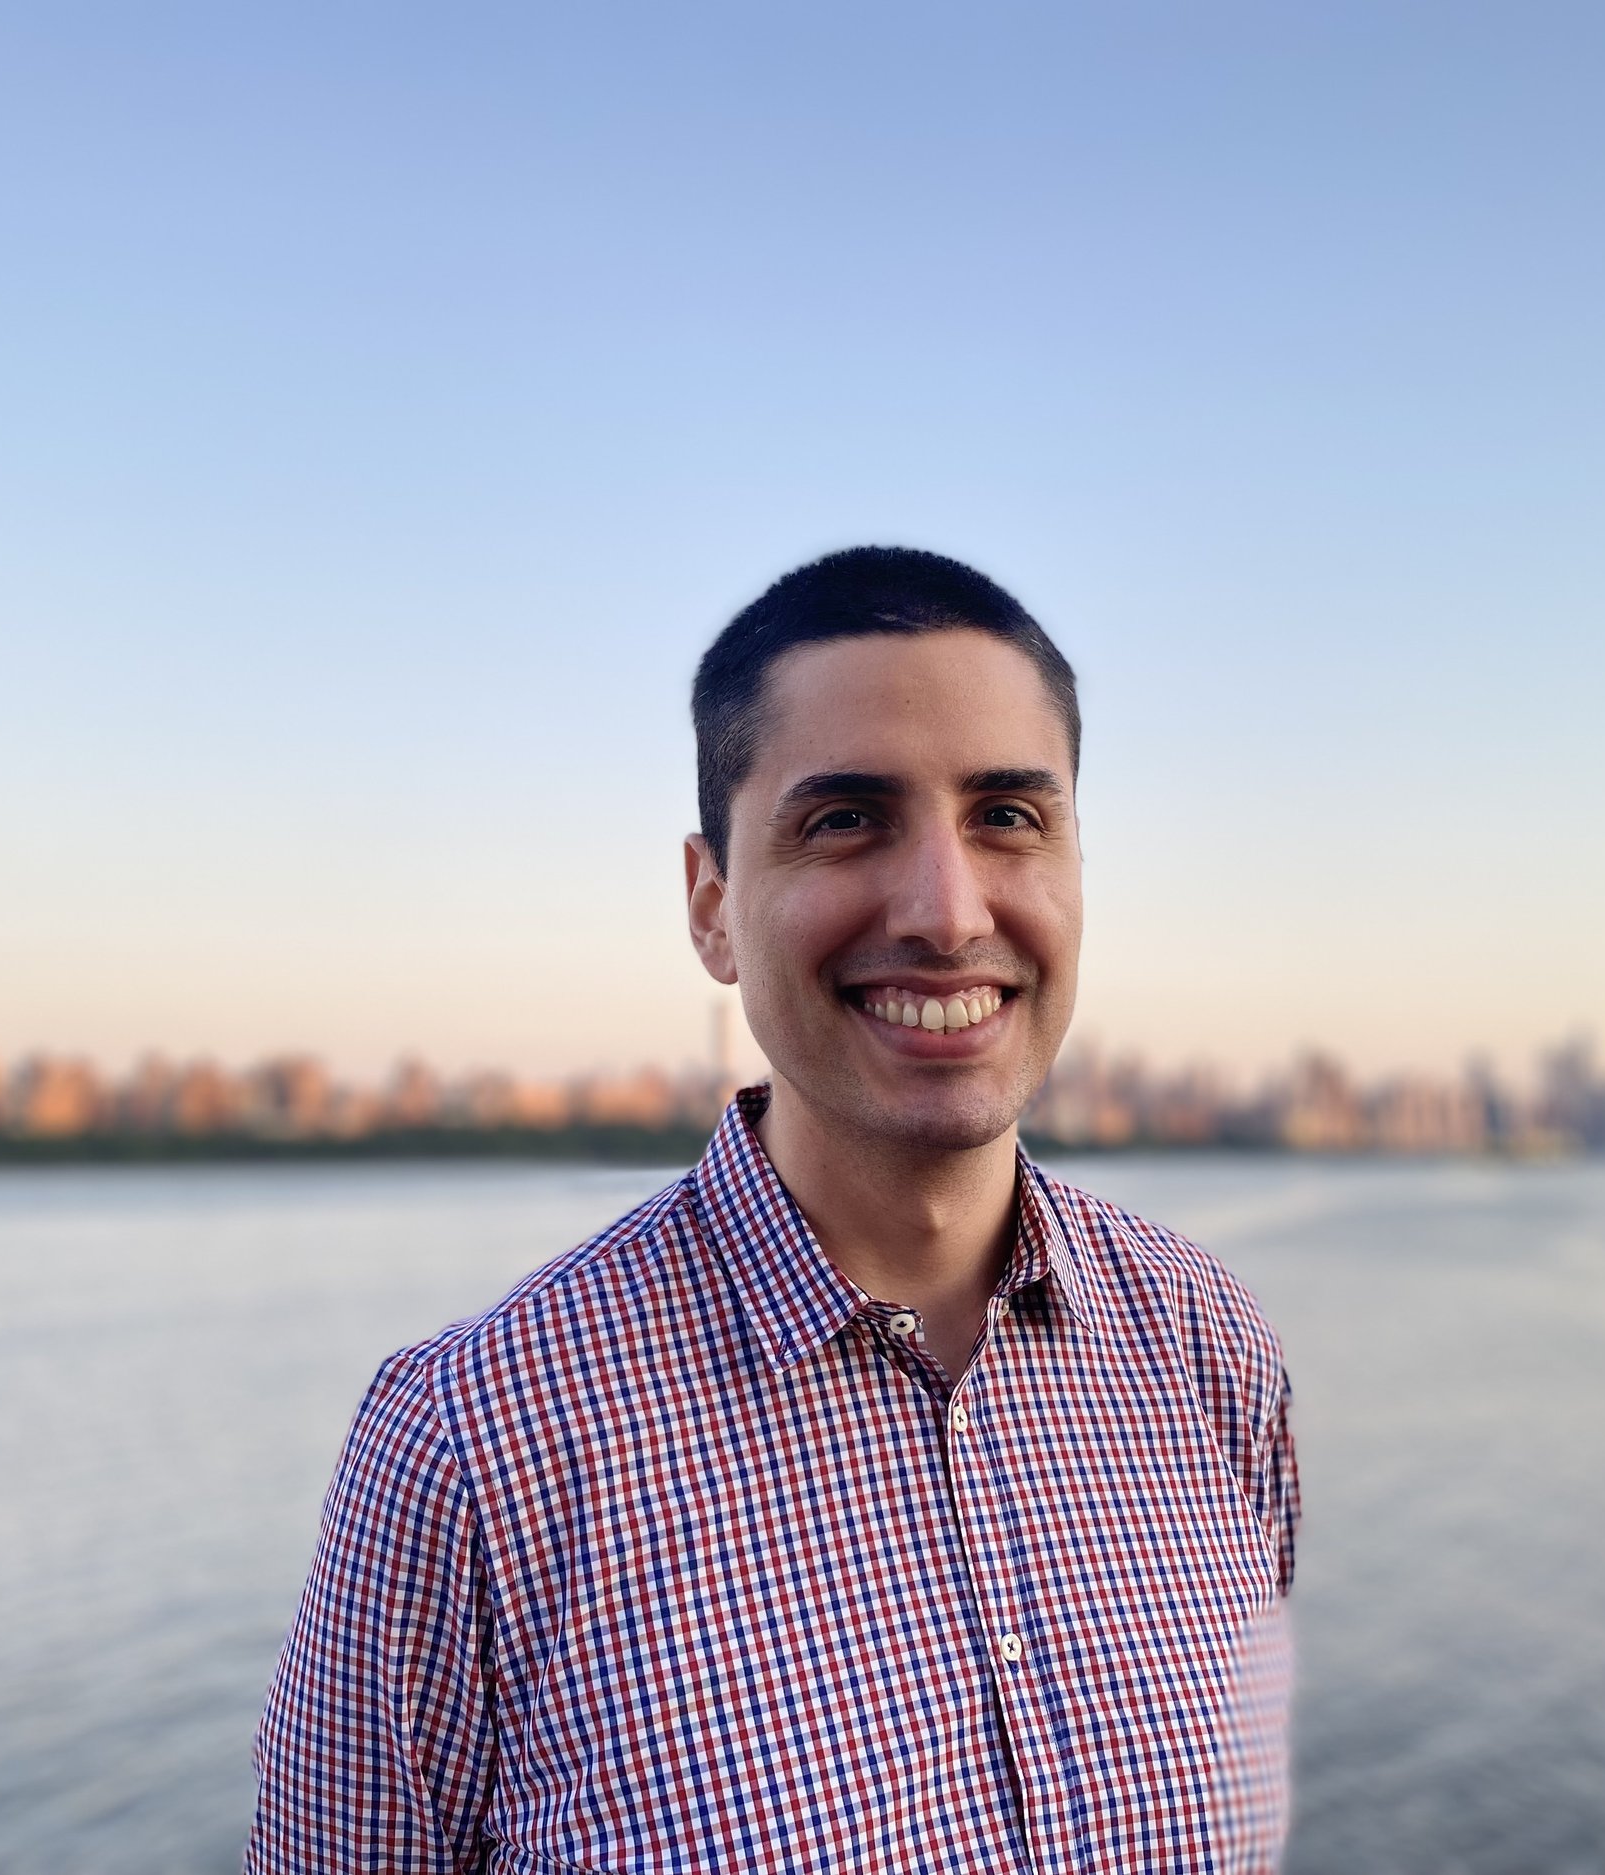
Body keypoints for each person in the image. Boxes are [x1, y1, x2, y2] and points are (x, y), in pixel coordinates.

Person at [247, 546, 1299, 1872]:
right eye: (846, 820)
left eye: (1007, 817)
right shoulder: (471, 1453)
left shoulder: (1209, 1349)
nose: (947, 913)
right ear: (712, 909)